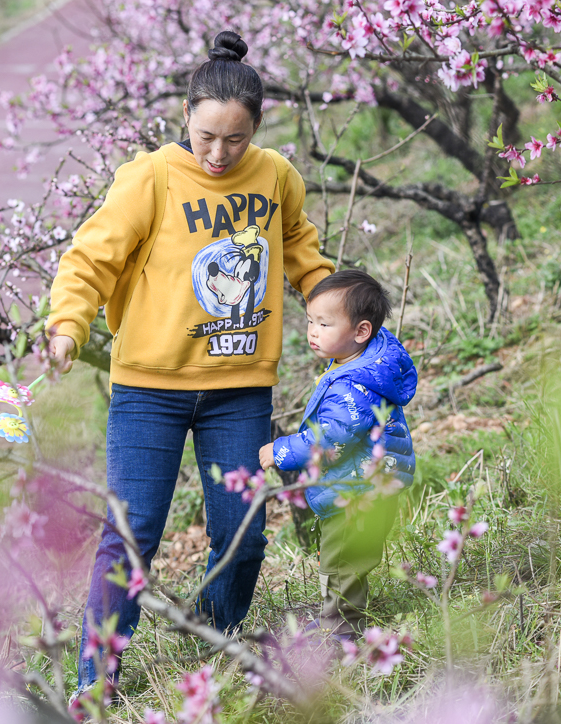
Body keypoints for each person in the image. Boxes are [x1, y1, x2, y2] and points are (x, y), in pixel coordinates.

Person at [45, 30, 335, 692]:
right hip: (150, 388)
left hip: (239, 390)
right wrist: (68, 323)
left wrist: (337, 313)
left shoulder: (276, 177)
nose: (218, 153)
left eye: (234, 140)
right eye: (206, 136)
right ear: (186, 119)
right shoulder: (150, 177)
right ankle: (98, 678)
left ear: (255, 130)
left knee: (244, 535)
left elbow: (300, 250)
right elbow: (91, 257)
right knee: (134, 533)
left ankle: (215, 638)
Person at [258, 269, 418, 639]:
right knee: (346, 558)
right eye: (311, 321)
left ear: (362, 331)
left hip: (357, 491)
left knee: (342, 560)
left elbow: (331, 438)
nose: (313, 331)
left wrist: (280, 450)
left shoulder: (353, 384)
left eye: (324, 324)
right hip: (365, 482)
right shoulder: (362, 361)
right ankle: (338, 616)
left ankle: (344, 628)